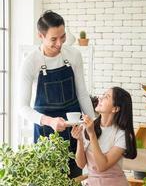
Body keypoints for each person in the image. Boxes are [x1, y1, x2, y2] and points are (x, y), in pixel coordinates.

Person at [18, 10, 95, 178]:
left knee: (73, 178)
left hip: (74, 131)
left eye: (63, 37)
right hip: (46, 134)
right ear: (40, 36)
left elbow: (82, 93)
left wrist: (94, 127)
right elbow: (22, 108)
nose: (59, 43)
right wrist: (49, 121)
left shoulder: (74, 55)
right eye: (53, 39)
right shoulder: (30, 62)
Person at [71, 87, 137, 185]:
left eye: (106, 97)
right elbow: (81, 164)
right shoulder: (89, 126)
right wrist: (80, 140)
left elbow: (102, 166)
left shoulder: (122, 134)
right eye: (103, 95)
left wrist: (92, 134)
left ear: (115, 108)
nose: (100, 98)